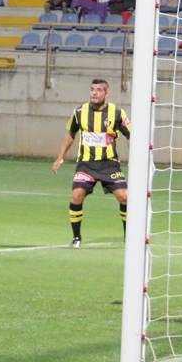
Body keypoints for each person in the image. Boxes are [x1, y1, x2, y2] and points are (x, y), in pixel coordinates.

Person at [51, 78, 129, 249]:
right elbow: (70, 134)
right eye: (92, 89)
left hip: (109, 164)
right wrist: (60, 157)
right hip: (86, 164)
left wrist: (136, 159)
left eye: (99, 90)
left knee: (124, 197)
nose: (94, 93)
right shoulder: (79, 112)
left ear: (106, 93)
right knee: (77, 194)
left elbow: (131, 135)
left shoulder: (117, 112)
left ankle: (128, 237)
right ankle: (76, 238)